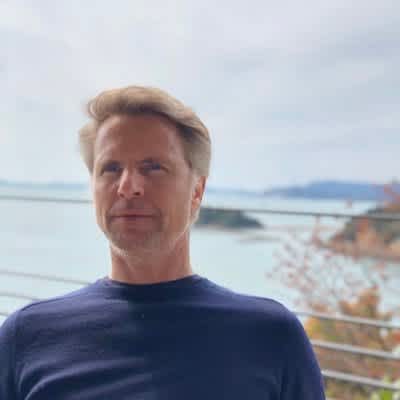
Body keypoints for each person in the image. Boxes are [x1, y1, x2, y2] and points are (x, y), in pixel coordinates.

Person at [0, 86, 326, 399]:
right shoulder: (26, 338)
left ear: (196, 191)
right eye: (111, 168)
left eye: (153, 167)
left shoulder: (270, 338)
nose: (128, 187)